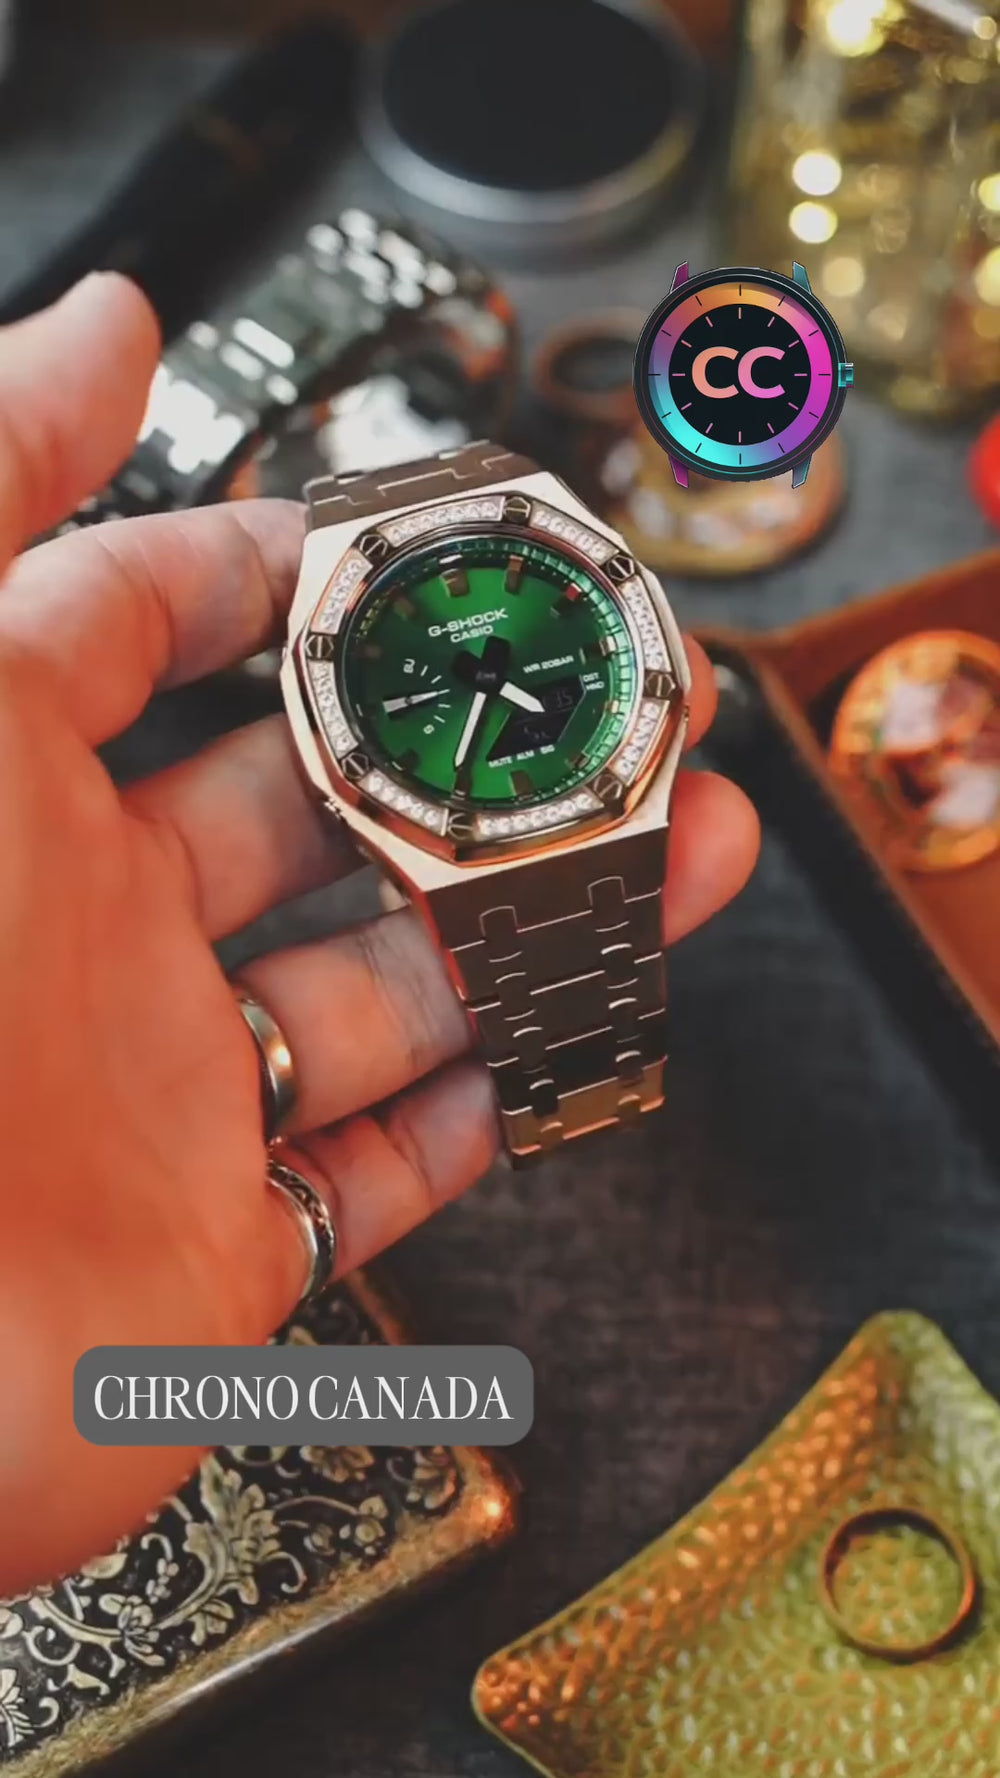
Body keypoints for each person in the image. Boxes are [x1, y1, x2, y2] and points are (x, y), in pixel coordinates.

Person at [0, 274, 760, 1592]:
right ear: (330, 748)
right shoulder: (349, 726)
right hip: (466, 818)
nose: (487, 669)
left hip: (576, 802)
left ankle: (572, 1071)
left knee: (674, 846)